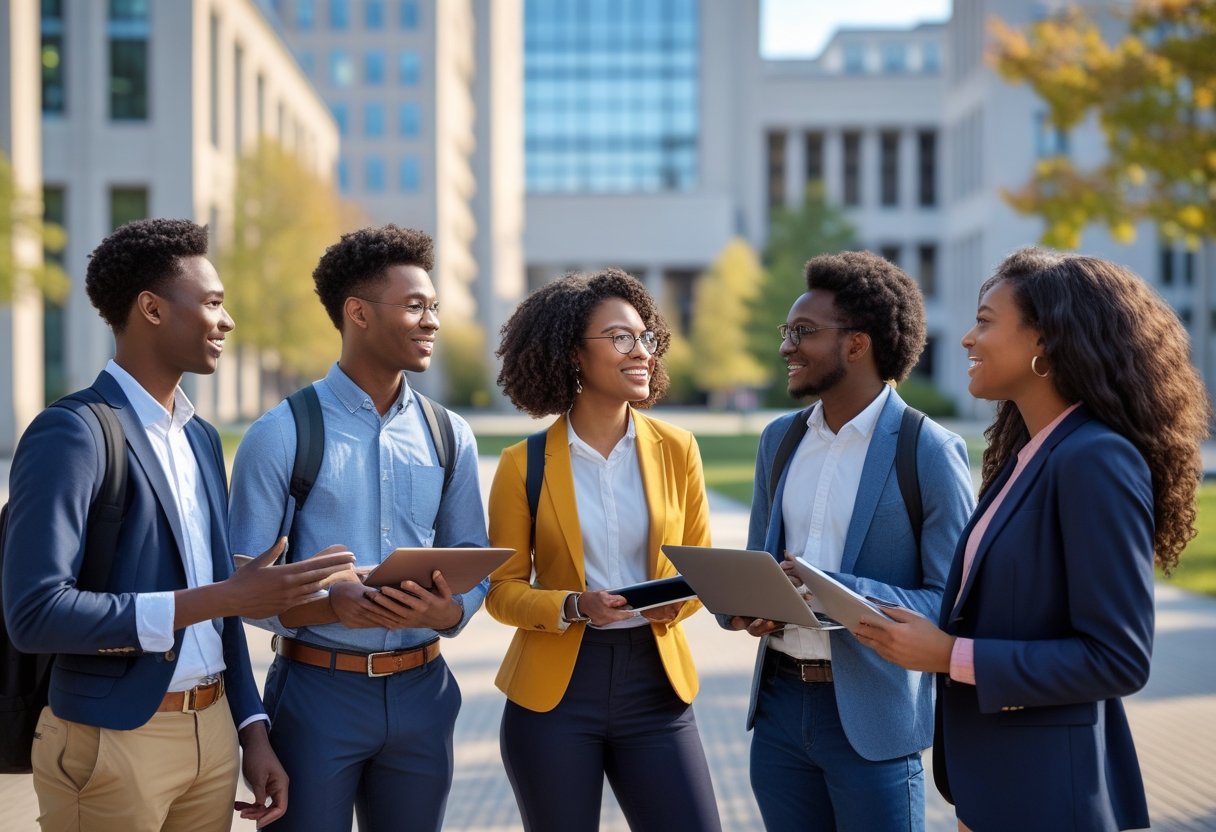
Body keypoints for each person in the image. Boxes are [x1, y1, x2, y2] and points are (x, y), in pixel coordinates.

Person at [2, 218, 355, 831]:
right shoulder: (74, 433)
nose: (227, 320)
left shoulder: (199, 438)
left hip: (213, 735)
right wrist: (225, 595)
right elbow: (35, 613)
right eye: (213, 303)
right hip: (112, 740)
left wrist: (251, 729)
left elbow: (220, 608)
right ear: (152, 309)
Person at [854, 247, 1211, 831]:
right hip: (998, 786)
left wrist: (947, 655)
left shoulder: (1095, 459)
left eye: (987, 320)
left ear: (1044, 339)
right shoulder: (1029, 455)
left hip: (1050, 796)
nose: (968, 339)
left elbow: (1118, 659)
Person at [227, 224, 490, 831]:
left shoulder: (451, 435)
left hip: (425, 693)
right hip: (317, 697)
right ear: (358, 313)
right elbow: (238, 588)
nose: (432, 321)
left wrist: (446, 613)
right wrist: (329, 605)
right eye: (415, 306)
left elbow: (474, 558)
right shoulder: (280, 433)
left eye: (435, 306)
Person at [726, 251, 976, 831]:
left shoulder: (929, 452)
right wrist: (746, 606)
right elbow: (759, 562)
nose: (787, 346)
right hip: (780, 710)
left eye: (803, 332)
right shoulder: (779, 441)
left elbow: (954, 603)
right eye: (786, 331)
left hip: (874, 717)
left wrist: (834, 590)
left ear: (857, 345)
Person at [485, 269, 722, 832]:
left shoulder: (678, 449)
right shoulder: (523, 464)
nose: (640, 351)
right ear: (573, 354)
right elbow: (502, 591)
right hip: (555, 698)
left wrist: (679, 602)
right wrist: (572, 605)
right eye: (620, 338)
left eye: (646, 337)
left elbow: (701, 568)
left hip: (656, 688)